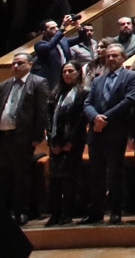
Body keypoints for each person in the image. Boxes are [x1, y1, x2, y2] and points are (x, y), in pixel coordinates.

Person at [82, 43, 135, 224]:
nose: (110, 59)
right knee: (96, 173)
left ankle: (116, 211)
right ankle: (96, 211)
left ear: (123, 58)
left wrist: (104, 118)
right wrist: (95, 118)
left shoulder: (132, 76)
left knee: (115, 173)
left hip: (115, 131)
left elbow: (129, 100)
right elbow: (87, 103)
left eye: (114, 55)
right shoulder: (98, 79)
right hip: (96, 132)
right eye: (108, 56)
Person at [0, 52, 49, 226]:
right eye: (13, 63)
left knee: (21, 176)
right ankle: (6, 213)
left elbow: (41, 112)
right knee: (4, 176)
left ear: (29, 64)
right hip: (4, 137)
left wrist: (36, 136)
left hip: (23, 138)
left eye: (19, 63)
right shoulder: (5, 85)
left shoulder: (38, 82)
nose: (15, 66)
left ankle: (21, 211)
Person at [45, 62, 88, 227]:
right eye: (64, 71)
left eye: (71, 71)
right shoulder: (56, 93)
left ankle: (67, 213)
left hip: (73, 142)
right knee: (54, 181)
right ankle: (54, 214)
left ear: (78, 73)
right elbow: (49, 118)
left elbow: (80, 120)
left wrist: (71, 141)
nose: (67, 74)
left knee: (70, 180)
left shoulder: (83, 93)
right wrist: (51, 140)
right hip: (56, 142)